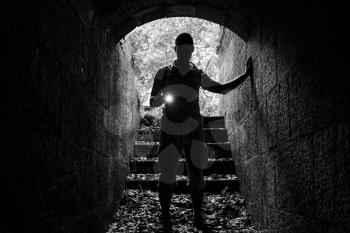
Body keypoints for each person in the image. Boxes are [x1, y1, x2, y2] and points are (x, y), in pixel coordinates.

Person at [150, 32, 253, 232]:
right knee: (167, 173)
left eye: (188, 49)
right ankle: (165, 217)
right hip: (170, 130)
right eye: (181, 49)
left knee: (196, 174)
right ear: (175, 49)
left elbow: (221, 88)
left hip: (194, 131)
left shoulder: (198, 75)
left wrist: (245, 75)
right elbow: (152, 101)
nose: (185, 53)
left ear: (193, 51)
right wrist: (164, 97)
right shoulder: (162, 73)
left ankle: (198, 216)